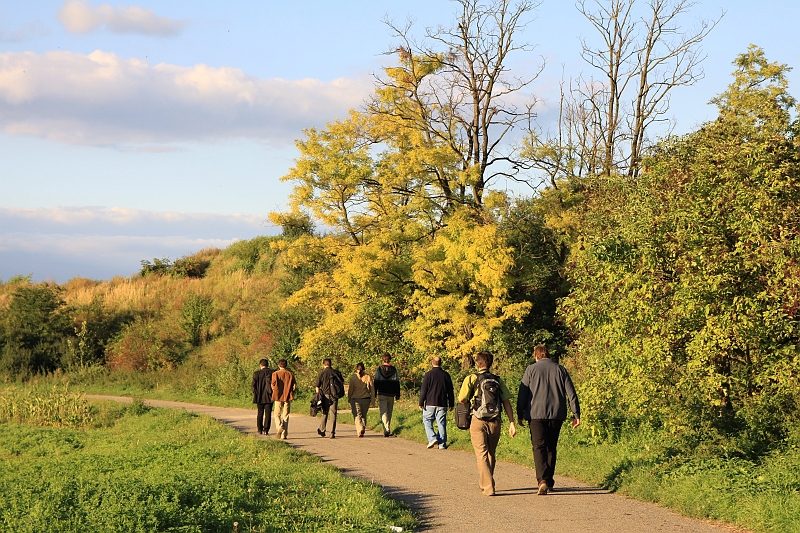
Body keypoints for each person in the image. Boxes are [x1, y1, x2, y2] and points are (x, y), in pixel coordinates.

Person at [516, 344, 580, 496]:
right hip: (556, 414)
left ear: (536, 356)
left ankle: (542, 480)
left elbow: (523, 393)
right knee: (551, 446)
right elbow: (571, 393)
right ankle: (549, 481)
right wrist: (576, 414)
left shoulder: (531, 370)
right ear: (548, 355)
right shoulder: (560, 369)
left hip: (535, 414)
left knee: (539, 447)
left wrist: (519, 413)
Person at [458, 351, 516, 496]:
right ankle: (488, 482)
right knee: (491, 453)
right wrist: (512, 422)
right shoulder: (497, 380)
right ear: (490, 363)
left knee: (481, 453)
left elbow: (462, 399)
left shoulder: (472, 378)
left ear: (478, 363)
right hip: (495, 421)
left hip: (478, 420)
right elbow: (506, 401)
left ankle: (488, 487)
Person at [418, 356, 454, 449]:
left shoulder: (428, 375)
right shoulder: (446, 375)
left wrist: (421, 402)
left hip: (430, 402)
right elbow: (450, 390)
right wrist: (452, 403)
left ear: (432, 363)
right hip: (442, 403)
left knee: (427, 420)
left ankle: (432, 438)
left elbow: (424, 390)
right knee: (441, 423)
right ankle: (442, 444)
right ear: (441, 363)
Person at [314, 358, 344, 439]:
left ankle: (322, 430)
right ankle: (332, 432)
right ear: (330, 364)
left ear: (324, 364)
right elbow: (342, 382)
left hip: (325, 396)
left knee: (324, 413)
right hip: (334, 395)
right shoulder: (336, 372)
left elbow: (317, 386)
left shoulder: (322, 373)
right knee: (333, 414)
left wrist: (318, 396)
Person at [374, 352, 401, 437]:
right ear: (390, 359)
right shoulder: (394, 370)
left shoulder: (379, 369)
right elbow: (397, 382)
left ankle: (386, 428)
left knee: (383, 411)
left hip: (382, 392)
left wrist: (374, 393)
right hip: (391, 393)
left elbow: (376, 381)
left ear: (383, 359)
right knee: (389, 411)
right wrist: (397, 394)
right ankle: (387, 427)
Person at [271, 358, 296, 440]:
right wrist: (291, 392)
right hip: (288, 396)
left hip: (278, 396)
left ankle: (279, 427)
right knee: (286, 415)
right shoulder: (290, 374)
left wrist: (274, 390)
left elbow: (273, 385)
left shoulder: (275, 374)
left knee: (277, 414)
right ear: (286, 365)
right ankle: (284, 435)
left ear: (278, 365)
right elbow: (294, 386)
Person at [348, 362, 375, 437]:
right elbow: (372, 389)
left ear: (356, 369)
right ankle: (363, 427)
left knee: (357, 415)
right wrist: (373, 399)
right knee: (363, 415)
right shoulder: (368, 377)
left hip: (355, 399)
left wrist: (349, 398)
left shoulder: (353, 378)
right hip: (366, 399)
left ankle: (360, 429)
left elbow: (351, 390)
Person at [251, 358, 273, 435]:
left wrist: (255, 393)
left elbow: (253, 386)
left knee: (260, 413)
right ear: (267, 365)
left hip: (259, 396)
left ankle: (260, 429)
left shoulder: (256, 373)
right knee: (268, 413)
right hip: (269, 396)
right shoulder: (272, 372)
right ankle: (266, 430)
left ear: (260, 365)